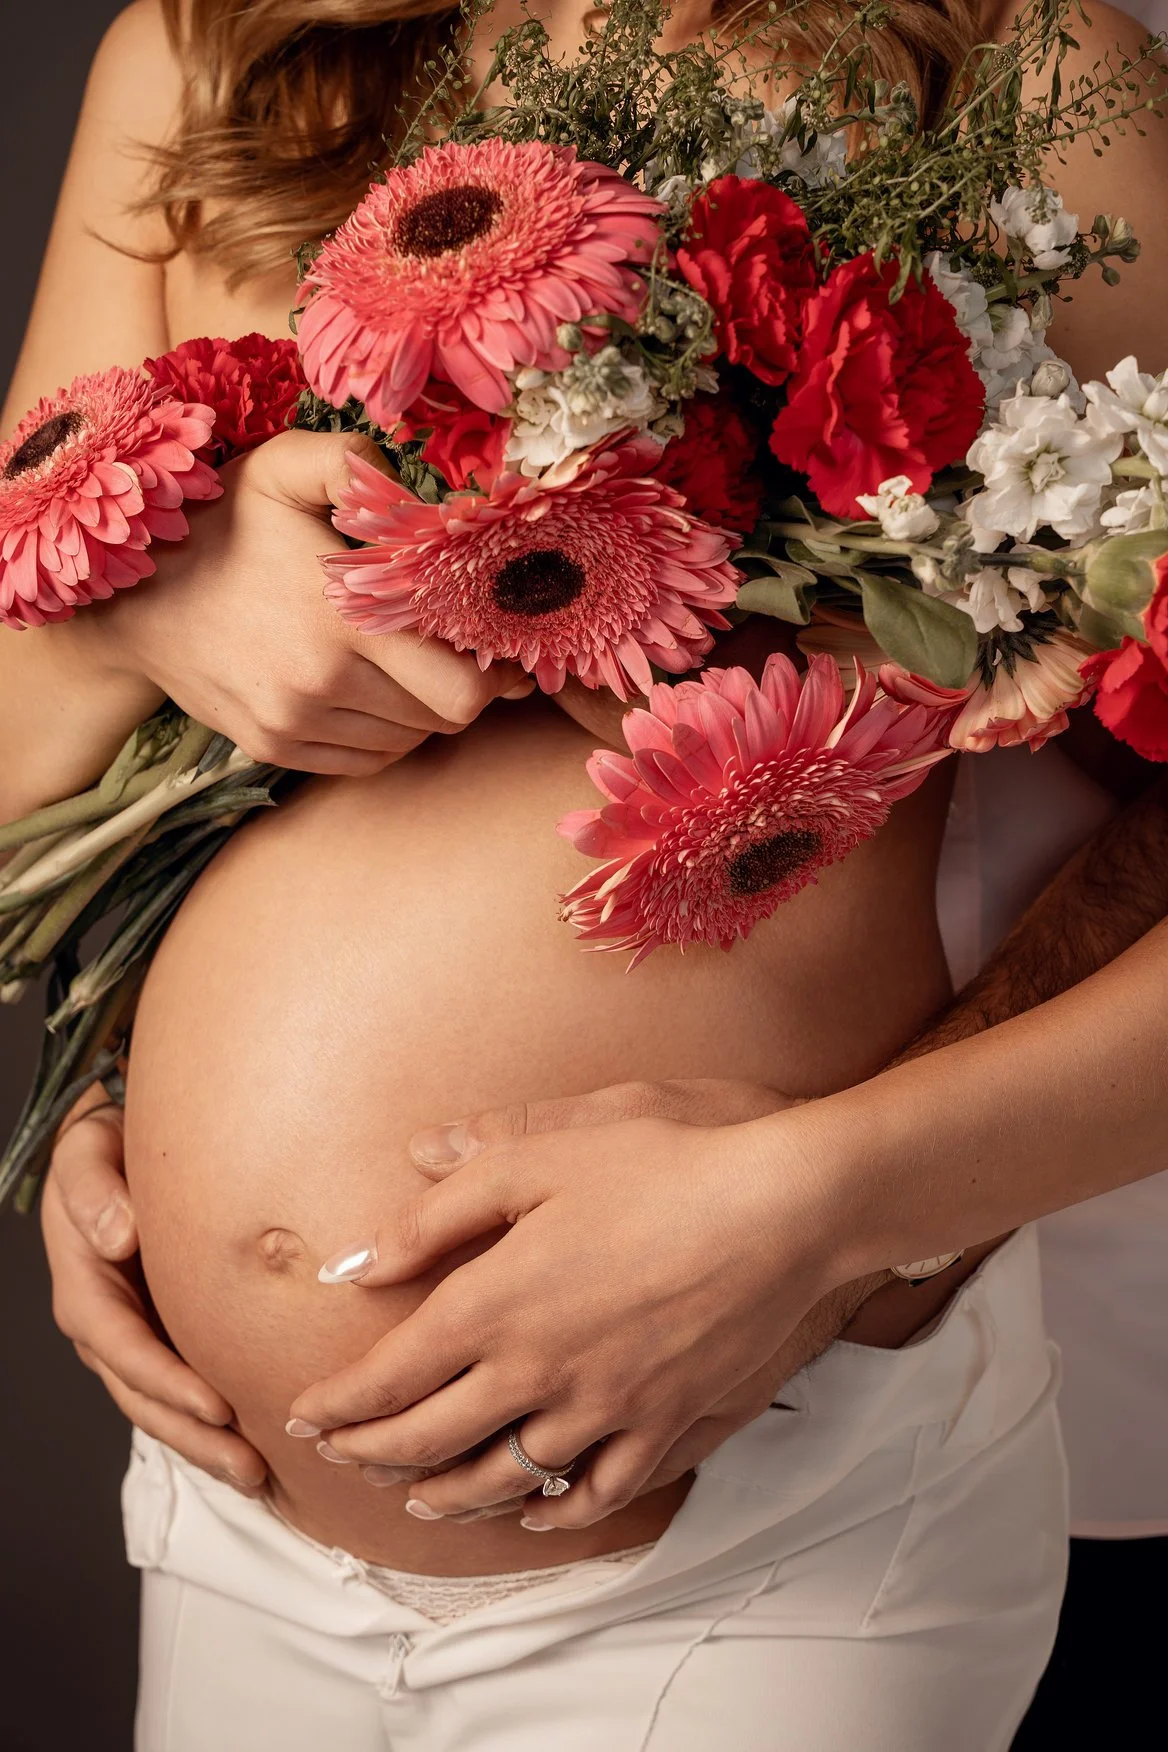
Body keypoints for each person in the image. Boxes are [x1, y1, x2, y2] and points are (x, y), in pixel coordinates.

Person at [3, 1, 1165, 1746]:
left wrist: (830, 1216)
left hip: (754, 1513)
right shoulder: (210, 44)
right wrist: (144, 620)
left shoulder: (1016, 64)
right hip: (232, 1522)